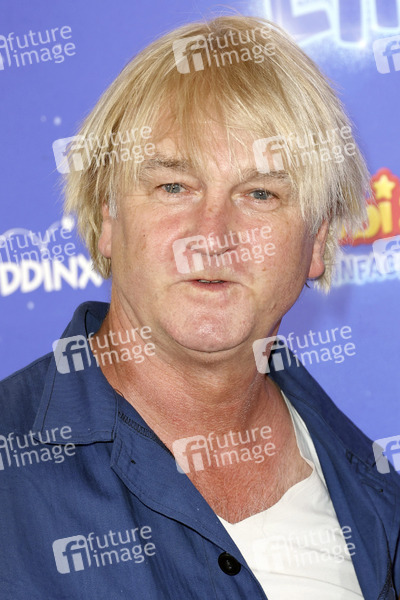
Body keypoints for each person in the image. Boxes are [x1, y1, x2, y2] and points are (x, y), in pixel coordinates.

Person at [0, 14, 399, 600]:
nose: (211, 236)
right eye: (174, 187)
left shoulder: (375, 496)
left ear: (316, 241)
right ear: (108, 219)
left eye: (260, 194)